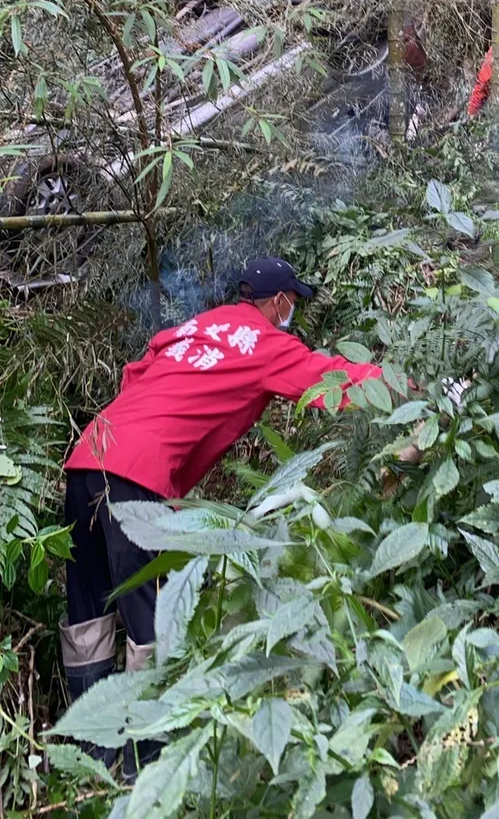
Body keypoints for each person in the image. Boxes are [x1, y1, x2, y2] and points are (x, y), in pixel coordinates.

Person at [61, 257, 382, 744]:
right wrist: (401, 386)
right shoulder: (267, 345)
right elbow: (329, 380)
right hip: (137, 475)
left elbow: (136, 374)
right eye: (293, 302)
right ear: (280, 301)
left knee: (89, 610)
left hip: (91, 454)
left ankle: (86, 752)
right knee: (154, 619)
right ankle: (142, 761)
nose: (292, 311)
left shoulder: (195, 328)